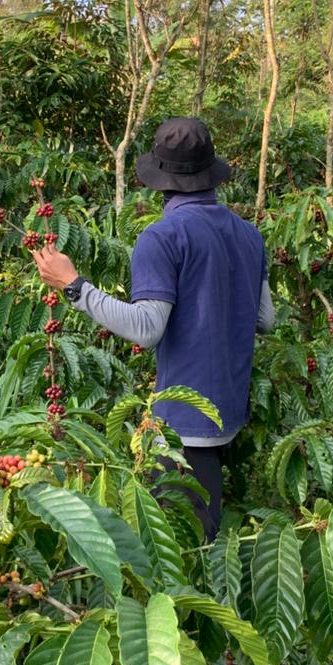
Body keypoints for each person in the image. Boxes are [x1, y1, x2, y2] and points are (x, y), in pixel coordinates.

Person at [32, 116, 274, 541]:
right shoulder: (249, 235)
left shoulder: (162, 237)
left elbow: (146, 329)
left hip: (185, 423)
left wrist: (74, 286)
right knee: (207, 526)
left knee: (186, 550)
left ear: (159, 180)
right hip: (231, 411)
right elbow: (265, 320)